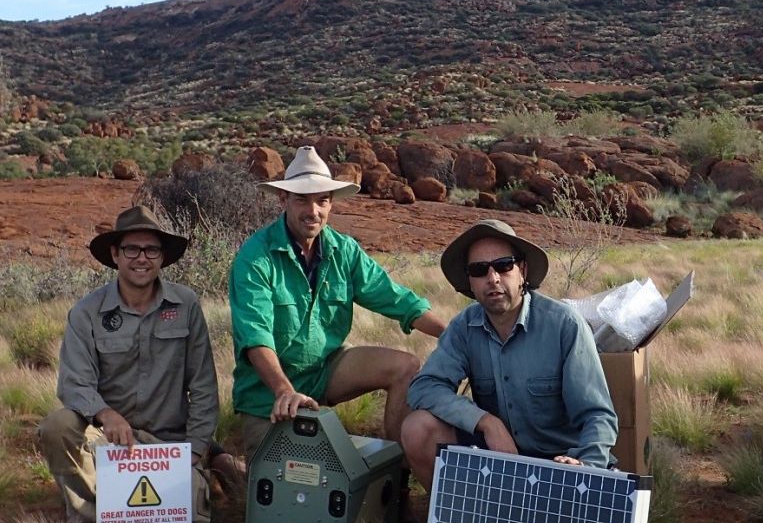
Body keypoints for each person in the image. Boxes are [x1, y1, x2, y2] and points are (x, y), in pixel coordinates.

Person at [230, 145, 446, 454]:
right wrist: (284, 391)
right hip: (269, 394)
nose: (313, 211)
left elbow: (397, 299)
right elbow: (256, 336)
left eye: (322, 201)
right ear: (283, 199)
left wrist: (451, 335)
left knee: (406, 366)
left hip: (325, 370)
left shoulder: (343, 250)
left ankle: (396, 474)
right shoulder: (256, 257)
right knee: (287, 482)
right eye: (302, 200)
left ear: (331, 203)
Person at [36, 205, 220, 523]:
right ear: (115, 255)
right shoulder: (86, 312)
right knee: (58, 425)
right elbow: (74, 383)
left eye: (151, 249)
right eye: (131, 249)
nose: (141, 258)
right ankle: (90, 522)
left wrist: (195, 451)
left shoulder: (186, 305)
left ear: (162, 257)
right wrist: (105, 414)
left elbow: (204, 386)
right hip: (109, 442)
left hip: (170, 443)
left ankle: (183, 483)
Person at [401, 219, 618, 488]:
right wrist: (486, 423)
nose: (492, 278)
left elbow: (598, 415)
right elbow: (424, 388)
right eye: (480, 270)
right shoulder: (464, 328)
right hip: (498, 458)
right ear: (470, 280)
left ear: (522, 270)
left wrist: (586, 465)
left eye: (504, 265)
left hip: (560, 463)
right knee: (417, 428)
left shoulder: (564, 325)